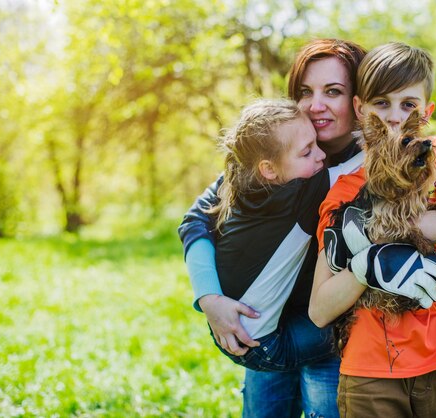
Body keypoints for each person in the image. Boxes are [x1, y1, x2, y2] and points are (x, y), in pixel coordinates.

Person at [178, 39, 367, 418]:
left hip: (332, 330)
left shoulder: (376, 161)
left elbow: (418, 225)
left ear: (360, 100)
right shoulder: (273, 152)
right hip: (264, 322)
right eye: (304, 92)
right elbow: (196, 219)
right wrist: (210, 298)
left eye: (333, 91)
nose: (315, 106)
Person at [309, 42, 436, 417]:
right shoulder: (344, 191)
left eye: (408, 104)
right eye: (381, 103)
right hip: (369, 367)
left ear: (426, 112)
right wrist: (365, 266)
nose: (394, 117)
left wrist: (367, 234)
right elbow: (319, 308)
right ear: (360, 109)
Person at [204, 98, 363, 371]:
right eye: (306, 152)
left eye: (316, 143)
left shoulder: (245, 185)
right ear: (268, 168)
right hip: (263, 345)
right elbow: (362, 166)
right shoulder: (296, 196)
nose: (321, 155)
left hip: (229, 326)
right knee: (358, 319)